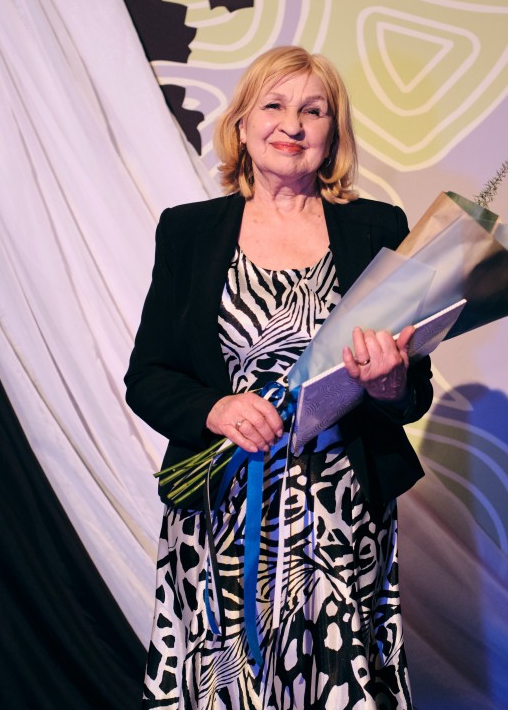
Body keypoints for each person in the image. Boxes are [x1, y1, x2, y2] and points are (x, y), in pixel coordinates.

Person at [126, 45, 433, 709]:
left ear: (333, 134)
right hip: (221, 513)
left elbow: (414, 389)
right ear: (242, 124)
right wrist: (216, 409)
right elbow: (147, 376)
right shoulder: (187, 232)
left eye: (313, 111)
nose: (292, 124)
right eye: (274, 105)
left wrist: (389, 383)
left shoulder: (379, 228)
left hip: (341, 516)